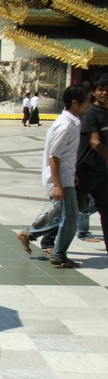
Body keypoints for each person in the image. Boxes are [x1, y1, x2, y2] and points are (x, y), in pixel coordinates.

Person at [16, 83, 93, 267]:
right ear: (75, 103)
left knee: (66, 216)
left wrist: (72, 173)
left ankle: (30, 234)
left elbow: (64, 156)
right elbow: (54, 156)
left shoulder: (73, 122)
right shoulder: (65, 126)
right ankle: (58, 255)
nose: (89, 104)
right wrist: (58, 185)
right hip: (60, 180)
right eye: (86, 101)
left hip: (66, 177)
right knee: (70, 219)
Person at [75, 74, 108, 254]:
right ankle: (36, 234)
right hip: (86, 169)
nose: (104, 93)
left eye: (107, 90)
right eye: (101, 89)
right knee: (70, 211)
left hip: (102, 170)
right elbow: (95, 143)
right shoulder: (90, 113)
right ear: (94, 92)